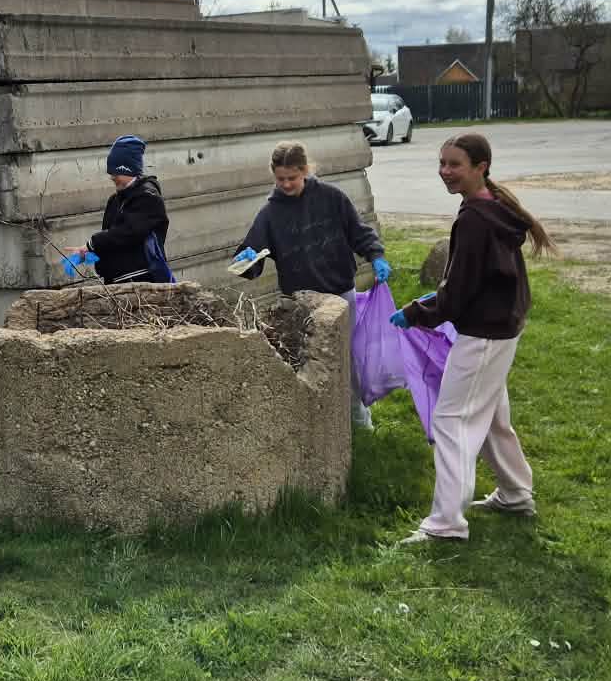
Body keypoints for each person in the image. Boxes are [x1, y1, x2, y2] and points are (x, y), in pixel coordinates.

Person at [390, 131, 552, 543]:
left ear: (481, 167)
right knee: (492, 414)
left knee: (451, 420)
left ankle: (446, 523)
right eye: (442, 163)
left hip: (484, 334)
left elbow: (457, 293)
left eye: (455, 165)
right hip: (501, 327)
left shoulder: (476, 219)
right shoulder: (493, 206)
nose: (445, 172)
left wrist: (416, 312)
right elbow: (479, 280)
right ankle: (515, 494)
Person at [230, 140, 392, 428]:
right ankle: (317, 422)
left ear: (305, 170)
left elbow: (359, 233)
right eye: (280, 179)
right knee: (307, 360)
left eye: (292, 178)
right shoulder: (270, 214)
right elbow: (253, 253)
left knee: (347, 357)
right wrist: (246, 260)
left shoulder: (332, 198)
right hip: (301, 302)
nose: (286, 184)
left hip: (340, 294)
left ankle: (358, 417)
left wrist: (376, 255)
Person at [71, 134, 171, 283]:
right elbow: (110, 236)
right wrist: (90, 254)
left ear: (128, 169)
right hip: (117, 283)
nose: (112, 177)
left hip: (141, 282)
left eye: (115, 172)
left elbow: (128, 232)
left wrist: (92, 244)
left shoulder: (148, 198)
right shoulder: (115, 200)